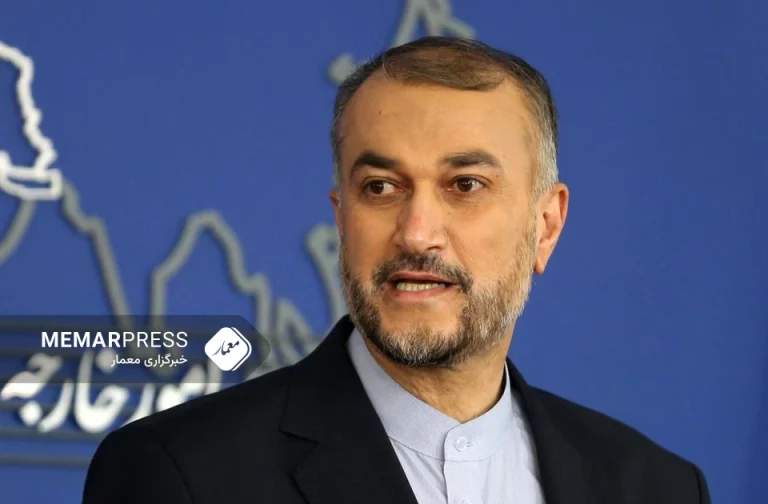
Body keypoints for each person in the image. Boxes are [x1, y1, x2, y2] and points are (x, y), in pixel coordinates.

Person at [82, 36, 711, 504]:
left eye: (466, 185)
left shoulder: (658, 488)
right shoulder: (180, 475)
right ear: (341, 217)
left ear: (545, 226)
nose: (415, 233)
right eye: (381, 187)